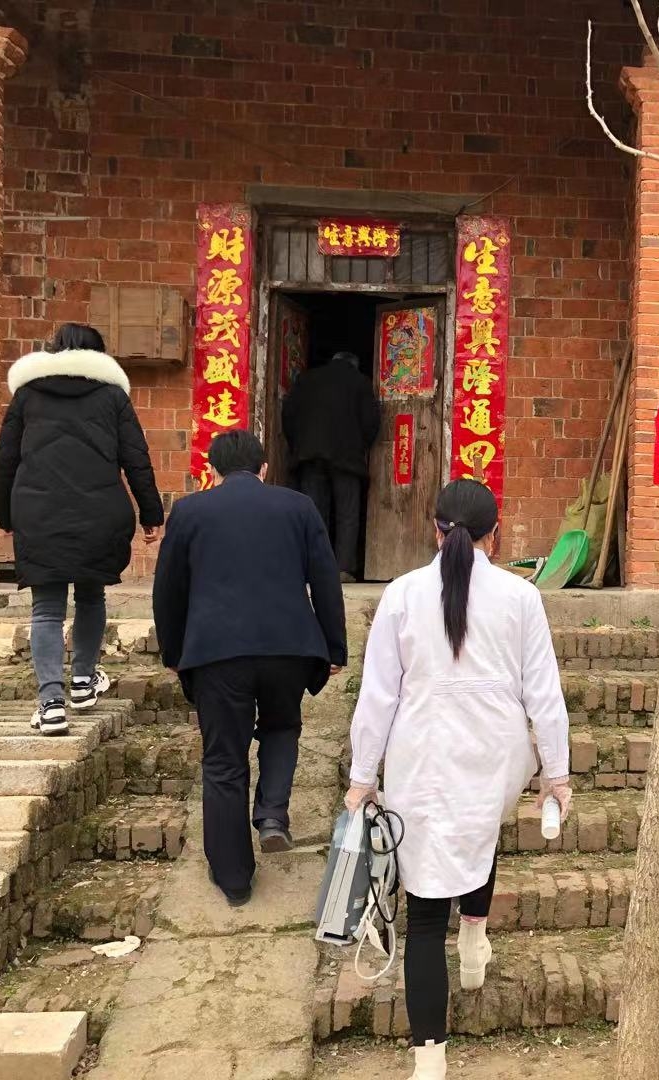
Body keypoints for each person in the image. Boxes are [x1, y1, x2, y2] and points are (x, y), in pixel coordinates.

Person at [345, 479, 570, 1080]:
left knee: (423, 917)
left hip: (421, 758)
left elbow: (378, 696)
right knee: (479, 833)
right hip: (493, 756)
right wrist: (556, 772)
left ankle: (429, 1063)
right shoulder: (521, 598)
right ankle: (473, 938)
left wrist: (362, 777)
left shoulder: (401, 594)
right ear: (496, 535)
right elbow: (544, 693)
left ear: (435, 530)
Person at [152, 431, 347, 907]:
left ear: (212, 471)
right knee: (282, 725)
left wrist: (174, 652)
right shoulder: (298, 507)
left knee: (223, 760)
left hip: (217, 652)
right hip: (288, 647)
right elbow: (325, 579)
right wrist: (333, 647)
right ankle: (273, 813)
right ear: (264, 468)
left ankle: (234, 878)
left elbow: (168, 588)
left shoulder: (190, 512)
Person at [0, 323, 163, 737]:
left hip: (39, 513)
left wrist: (6, 516)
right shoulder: (113, 397)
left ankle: (51, 703)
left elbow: (6, 460)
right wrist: (151, 514)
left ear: (54, 350)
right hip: (100, 512)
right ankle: (84, 682)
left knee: (46, 608)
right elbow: (136, 459)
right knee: (91, 595)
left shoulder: (27, 395)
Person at [282, 350, 382, 582]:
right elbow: (371, 421)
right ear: (354, 365)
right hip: (347, 458)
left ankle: (315, 568)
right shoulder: (360, 382)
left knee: (315, 512)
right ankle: (343, 568)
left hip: (309, 455)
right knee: (347, 513)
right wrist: (361, 446)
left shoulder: (307, 379)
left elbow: (288, 414)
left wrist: (298, 444)